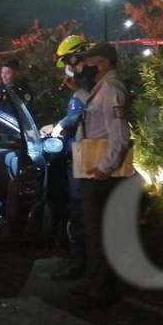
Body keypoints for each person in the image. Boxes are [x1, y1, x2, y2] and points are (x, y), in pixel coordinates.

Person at [69, 43, 134, 308]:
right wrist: (79, 92)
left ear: (105, 62)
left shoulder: (112, 88)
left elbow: (120, 135)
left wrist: (105, 168)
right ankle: (97, 285)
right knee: (97, 232)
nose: (87, 64)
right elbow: (97, 113)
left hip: (101, 174)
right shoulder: (102, 88)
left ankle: (101, 291)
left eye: (91, 59)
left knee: (99, 233)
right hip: (94, 170)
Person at [42, 35, 94, 281]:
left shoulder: (93, 83)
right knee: (75, 206)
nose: (68, 66)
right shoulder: (86, 83)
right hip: (79, 150)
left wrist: (58, 126)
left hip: (86, 152)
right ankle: (79, 259)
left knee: (79, 208)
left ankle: (79, 263)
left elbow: (83, 114)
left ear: (78, 55)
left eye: (68, 60)